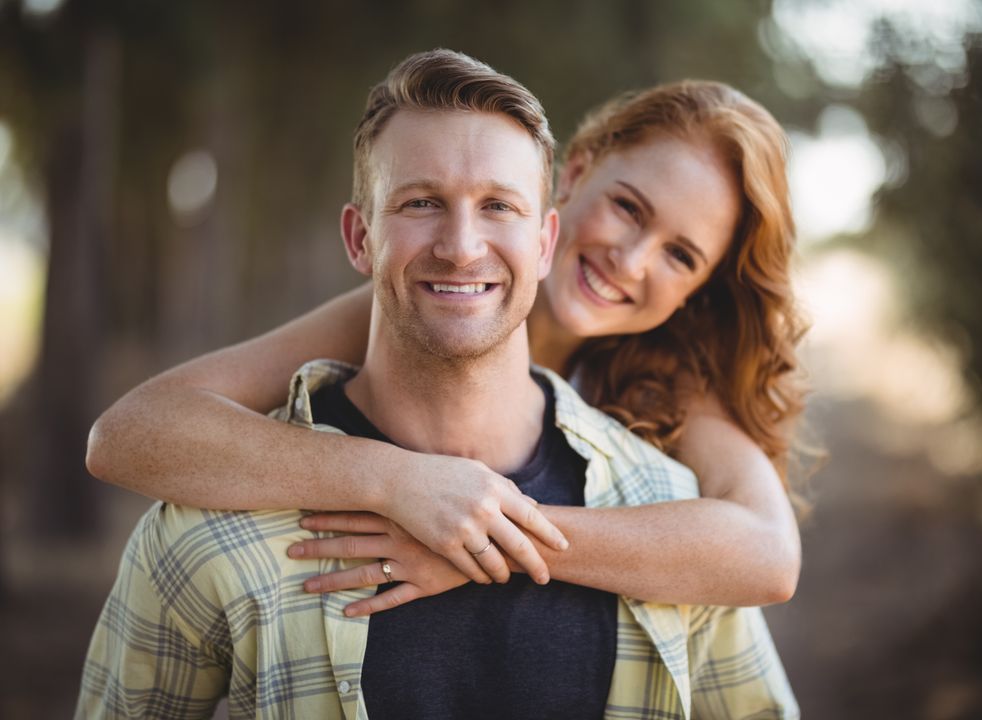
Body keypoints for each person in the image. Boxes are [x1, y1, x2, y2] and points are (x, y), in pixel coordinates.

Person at [77, 49, 798, 718]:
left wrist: (489, 537)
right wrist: (398, 480)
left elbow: (767, 553)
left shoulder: (663, 391)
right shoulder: (418, 299)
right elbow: (131, 434)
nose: (631, 261)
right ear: (575, 176)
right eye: (629, 208)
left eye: (679, 254)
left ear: (697, 290)